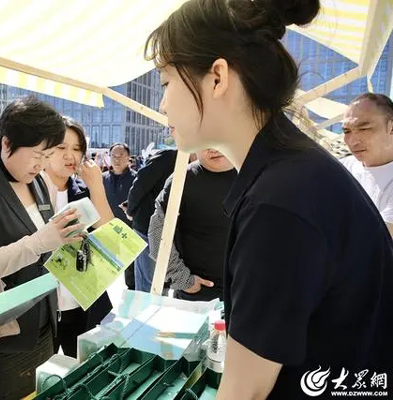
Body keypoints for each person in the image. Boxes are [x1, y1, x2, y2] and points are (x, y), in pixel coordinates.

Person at [146, 1, 392, 399]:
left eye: (165, 83)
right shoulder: (296, 172)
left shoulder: (279, 203)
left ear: (218, 77)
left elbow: (246, 392)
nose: (162, 104)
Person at [0, 96, 83, 400]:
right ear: (6, 144)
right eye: (36, 154)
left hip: (44, 332)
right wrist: (39, 243)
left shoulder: (41, 183)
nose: (42, 163)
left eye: (48, 154)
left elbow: (49, 246)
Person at [44, 116, 114, 358]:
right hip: (43, 309)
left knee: (87, 373)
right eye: (61, 147)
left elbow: (110, 235)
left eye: (77, 149)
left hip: (84, 303)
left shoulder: (82, 193)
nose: (70, 156)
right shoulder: (31, 192)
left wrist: (96, 186)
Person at [149, 149, 236, 301]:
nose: (213, 148)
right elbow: (158, 230)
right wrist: (182, 278)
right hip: (198, 295)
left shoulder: (256, 175)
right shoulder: (181, 179)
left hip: (249, 291)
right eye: (205, 140)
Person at [125, 149, 179, 292]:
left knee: (164, 283)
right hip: (146, 227)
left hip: (172, 232)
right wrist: (131, 210)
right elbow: (140, 184)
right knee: (148, 284)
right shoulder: (168, 157)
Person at [341, 93, 393, 236]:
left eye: (364, 129)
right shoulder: (341, 168)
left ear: (391, 128)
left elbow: (377, 239)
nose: (353, 141)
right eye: (347, 131)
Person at [103, 142, 137, 289]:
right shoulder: (102, 178)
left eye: (121, 155)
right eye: (114, 156)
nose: (117, 159)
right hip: (106, 229)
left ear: (128, 157)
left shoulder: (137, 178)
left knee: (131, 271)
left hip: (129, 230)